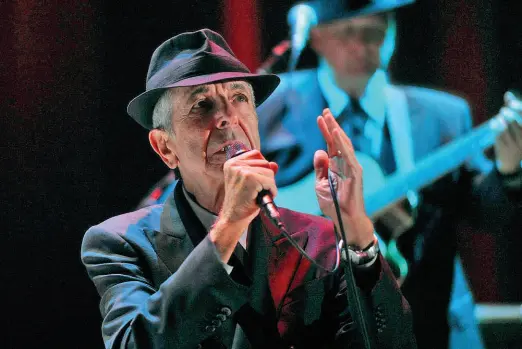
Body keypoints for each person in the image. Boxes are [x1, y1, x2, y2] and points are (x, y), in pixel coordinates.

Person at [81, 28, 417, 349]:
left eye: (239, 98)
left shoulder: (320, 238)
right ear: (165, 148)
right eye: (202, 105)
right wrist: (229, 225)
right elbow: (135, 342)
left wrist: (357, 229)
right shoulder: (121, 243)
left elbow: (392, 343)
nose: (227, 116)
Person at [255, 1, 522, 349]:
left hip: (426, 322)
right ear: (317, 37)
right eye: (348, 31)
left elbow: (486, 212)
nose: (362, 44)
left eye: (376, 31)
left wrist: (510, 171)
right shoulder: (271, 106)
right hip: (311, 326)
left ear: (394, 33)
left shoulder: (442, 115)